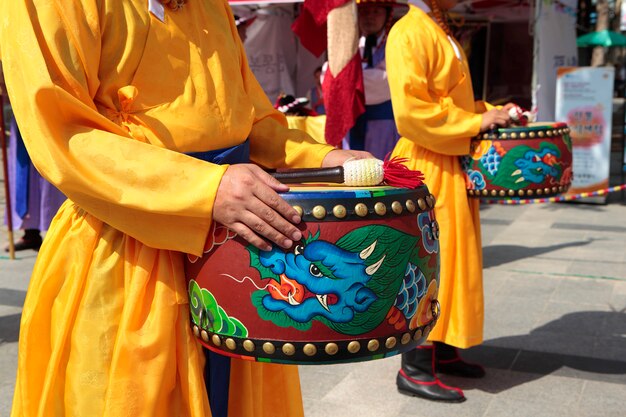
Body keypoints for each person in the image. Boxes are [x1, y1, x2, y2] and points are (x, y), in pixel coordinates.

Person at [0, 2, 370, 417]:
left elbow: (247, 120)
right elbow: (62, 132)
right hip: (127, 252)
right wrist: (205, 188)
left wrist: (322, 160)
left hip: (240, 257)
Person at [386, 0, 514, 402]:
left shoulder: (437, 27)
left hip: (447, 158)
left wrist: (492, 111)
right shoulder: (409, 31)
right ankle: (416, 366)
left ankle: (443, 348)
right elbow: (412, 113)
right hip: (427, 160)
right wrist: (476, 122)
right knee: (427, 259)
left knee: (452, 257)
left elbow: (450, 104)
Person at [346, 0, 405, 160]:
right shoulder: (351, 47)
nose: (369, 17)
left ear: (387, 15)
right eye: (365, 12)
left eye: (376, 12)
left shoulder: (396, 45)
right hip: (353, 126)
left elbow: (385, 82)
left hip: (385, 125)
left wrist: (349, 79)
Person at [4, 117, 67, 252]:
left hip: (48, 117)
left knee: (49, 178)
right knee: (25, 177)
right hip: (22, 115)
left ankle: (60, 236)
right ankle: (31, 234)